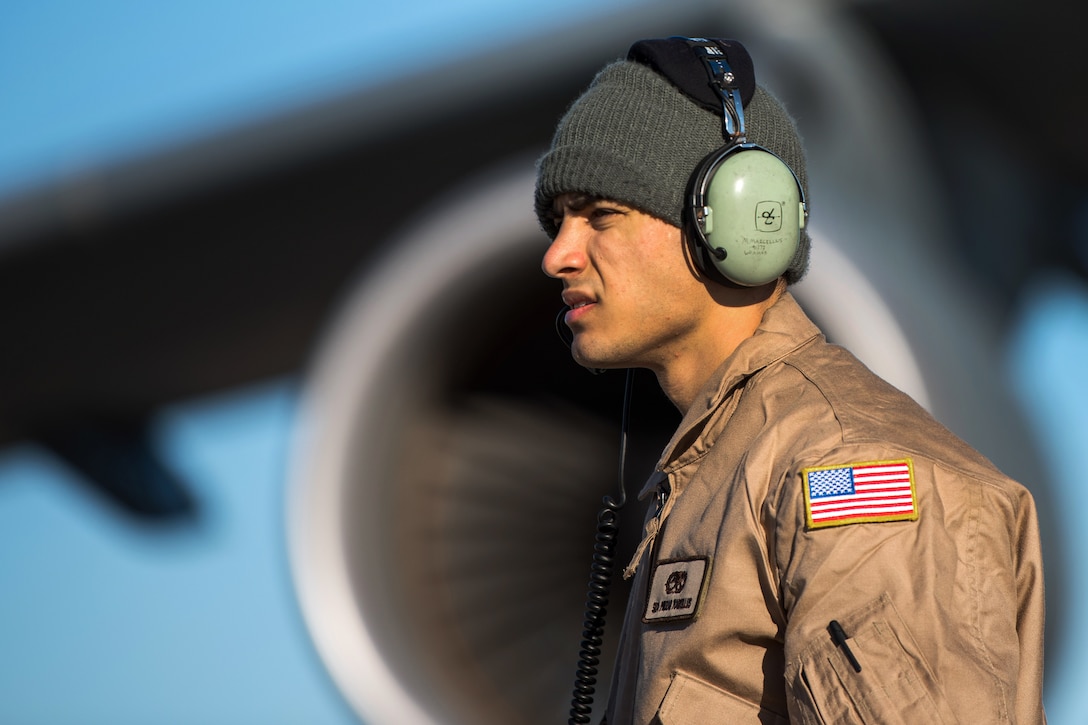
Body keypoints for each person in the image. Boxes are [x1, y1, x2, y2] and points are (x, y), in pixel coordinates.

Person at [535, 36, 1046, 724]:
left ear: (741, 221)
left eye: (601, 216)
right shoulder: (715, 474)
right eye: (557, 222)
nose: (558, 255)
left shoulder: (847, 469)